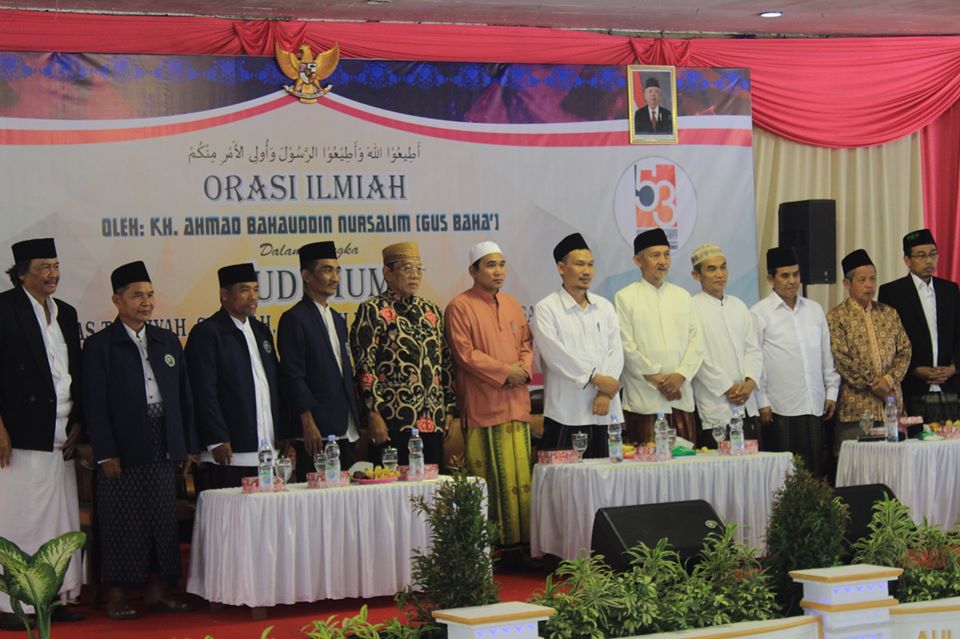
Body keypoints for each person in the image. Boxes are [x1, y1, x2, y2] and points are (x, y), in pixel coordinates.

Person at [82, 260, 196, 620]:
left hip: (163, 438)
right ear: (117, 300)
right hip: (122, 444)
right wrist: (106, 452)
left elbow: (183, 397)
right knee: (121, 517)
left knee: (161, 517)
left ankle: (158, 590)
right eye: (137, 296)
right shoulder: (101, 346)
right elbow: (94, 405)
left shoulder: (166, 340)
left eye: (149, 295)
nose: (146, 302)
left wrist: (184, 444)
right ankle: (117, 593)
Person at [0, 238, 85, 630]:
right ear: (22, 274)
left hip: (61, 435)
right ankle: (11, 604)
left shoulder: (66, 312)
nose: (53, 275)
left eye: (56, 266)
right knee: (20, 520)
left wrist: (79, 423)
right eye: (44, 268)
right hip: (19, 437)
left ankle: (52, 596)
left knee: (60, 523)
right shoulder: (5, 309)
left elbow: (75, 372)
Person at [445, 241, 534, 557]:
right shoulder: (459, 306)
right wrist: (505, 372)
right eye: (490, 265)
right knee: (492, 481)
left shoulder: (512, 304)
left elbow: (526, 344)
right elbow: (465, 354)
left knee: (522, 479)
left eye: (502, 264)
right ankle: (493, 552)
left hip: (517, 405)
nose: (498, 271)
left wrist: (523, 369)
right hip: (484, 406)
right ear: (473, 271)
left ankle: (524, 548)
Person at [350, 242, 455, 468]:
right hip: (392, 421)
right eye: (407, 268)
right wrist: (373, 413)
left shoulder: (431, 311)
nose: (415, 275)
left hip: (432, 419)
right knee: (394, 484)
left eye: (419, 269)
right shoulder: (372, 310)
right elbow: (364, 366)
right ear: (387, 273)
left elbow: (445, 363)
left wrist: (448, 409)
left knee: (432, 486)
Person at [186, 263, 284, 490]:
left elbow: (274, 386)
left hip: (267, 451)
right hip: (228, 454)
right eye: (244, 290)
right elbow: (203, 392)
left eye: (255, 289)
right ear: (224, 294)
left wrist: (284, 435)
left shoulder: (261, 331)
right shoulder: (207, 334)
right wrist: (216, 438)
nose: (253, 296)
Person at [531, 232, 623, 458]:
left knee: (607, 474)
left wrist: (605, 392)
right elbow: (556, 356)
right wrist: (596, 378)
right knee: (566, 476)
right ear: (561, 268)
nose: (587, 271)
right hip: (566, 412)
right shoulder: (547, 308)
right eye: (580, 264)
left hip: (605, 410)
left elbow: (616, 351)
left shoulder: (604, 306)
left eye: (590, 265)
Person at [751, 247, 839, 476]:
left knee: (815, 473)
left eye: (796, 274)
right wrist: (762, 401)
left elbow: (826, 355)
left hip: (815, 404)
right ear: (771, 279)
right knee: (787, 476)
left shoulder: (814, 310)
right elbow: (755, 360)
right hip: (779, 408)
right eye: (785, 275)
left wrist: (831, 392)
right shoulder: (759, 313)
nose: (792, 281)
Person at [278, 241, 360, 480]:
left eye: (337, 270)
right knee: (318, 496)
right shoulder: (294, 318)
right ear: (307, 276)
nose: (335, 278)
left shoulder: (337, 319)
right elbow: (293, 375)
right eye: (327, 270)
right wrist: (307, 422)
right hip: (316, 431)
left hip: (345, 427)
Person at [615, 227, 703, 445]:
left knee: (685, 462)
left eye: (666, 254)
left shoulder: (683, 296)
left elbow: (697, 342)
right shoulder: (625, 297)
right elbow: (626, 346)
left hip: (680, 396)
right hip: (644, 399)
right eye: (655, 255)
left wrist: (680, 376)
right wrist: (658, 380)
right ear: (638, 260)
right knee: (646, 461)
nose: (663, 261)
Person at [828, 249, 911, 449]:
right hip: (857, 411)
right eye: (862, 280)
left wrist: (888, 381)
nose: (869, 285)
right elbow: (841, 359)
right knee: (859, 464)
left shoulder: (888, 313)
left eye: (873, 279)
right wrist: (876, 385)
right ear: (847, 284)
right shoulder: (836, 317)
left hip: (891, 406)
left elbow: (905, 351)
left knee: (894, 462)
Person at [878, 229, 960, 422]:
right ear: (907, 260)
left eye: (933, 254)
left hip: (949, 384)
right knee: (916, 437)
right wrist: (915, 368)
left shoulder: (949, 290)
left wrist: (954, 366)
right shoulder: (892, 292)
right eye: (921, 256)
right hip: (913, 385)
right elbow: (888, 342)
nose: (929, 261)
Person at [689, 243, 763, 445]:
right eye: (712, 269)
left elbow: (753, 349)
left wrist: (749, 383)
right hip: (715, 405)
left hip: (746, 404)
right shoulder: (691, 308)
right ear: (696, 275)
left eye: (723, 267)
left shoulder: (738, 306)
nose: (720, 274)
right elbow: (697, 357)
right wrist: (727, 388)